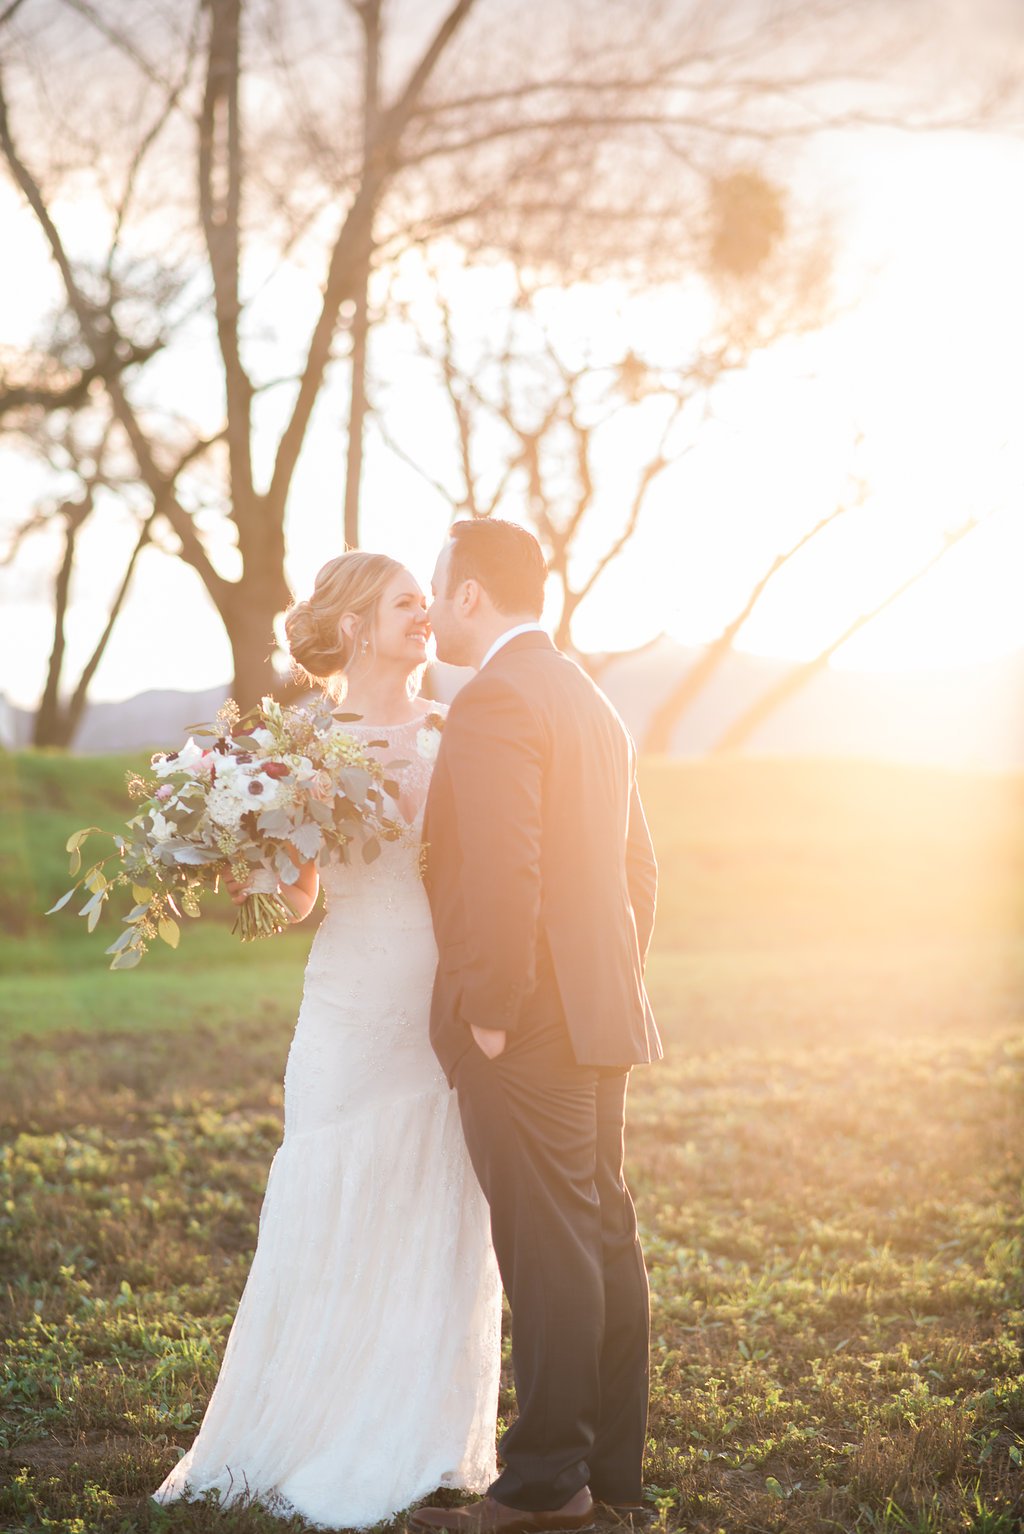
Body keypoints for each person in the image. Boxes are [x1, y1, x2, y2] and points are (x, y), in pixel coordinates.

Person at [153, 551, 502, 1530]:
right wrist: (246, 860)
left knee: (436, 1194)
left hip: (443, 991)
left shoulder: (454, 731)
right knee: (334, 1184)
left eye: (425, 602)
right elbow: (298, 897)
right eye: (404, 603)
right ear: (354, 625)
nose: (425, 614)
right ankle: (316, 1421)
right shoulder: (300, 746)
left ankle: (423, 1432)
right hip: (351, 997)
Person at [415, 518, 661, 1534]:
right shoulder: (587, 697)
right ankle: (611, 1479)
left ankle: (543, 1484)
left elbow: (503, 870)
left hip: (527, 1026)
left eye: (437, 589)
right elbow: (635, 867)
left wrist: (492, 1011)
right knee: (600, 1233)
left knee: (551, 1244)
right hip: (596, 1010)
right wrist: (606, 979)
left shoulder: (496, 698)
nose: (430, 609)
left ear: (472, 595)